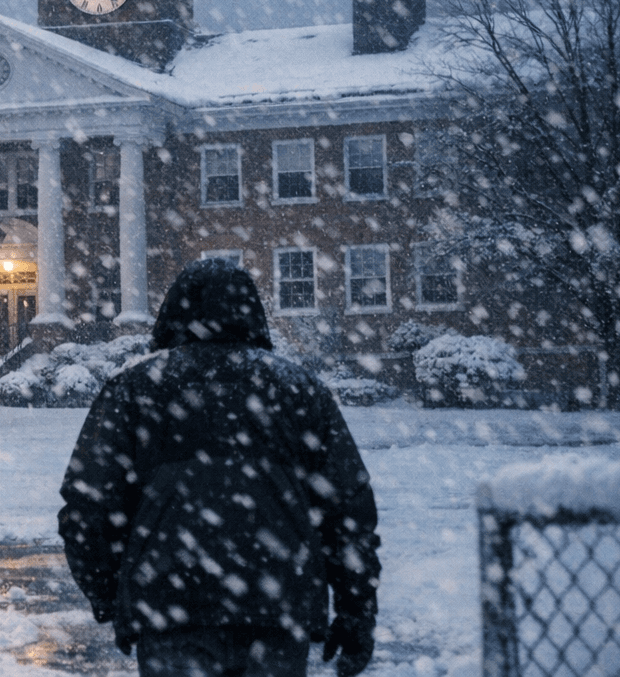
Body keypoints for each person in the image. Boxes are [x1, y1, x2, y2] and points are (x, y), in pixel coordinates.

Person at [58, 258, 380, 676]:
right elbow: (348, 511)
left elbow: (88, 508)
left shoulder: (136, 390)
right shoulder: (300, 391)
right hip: (278, 608)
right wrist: (357, 612)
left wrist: (109, 593)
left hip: (172, 610)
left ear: (174, 312)